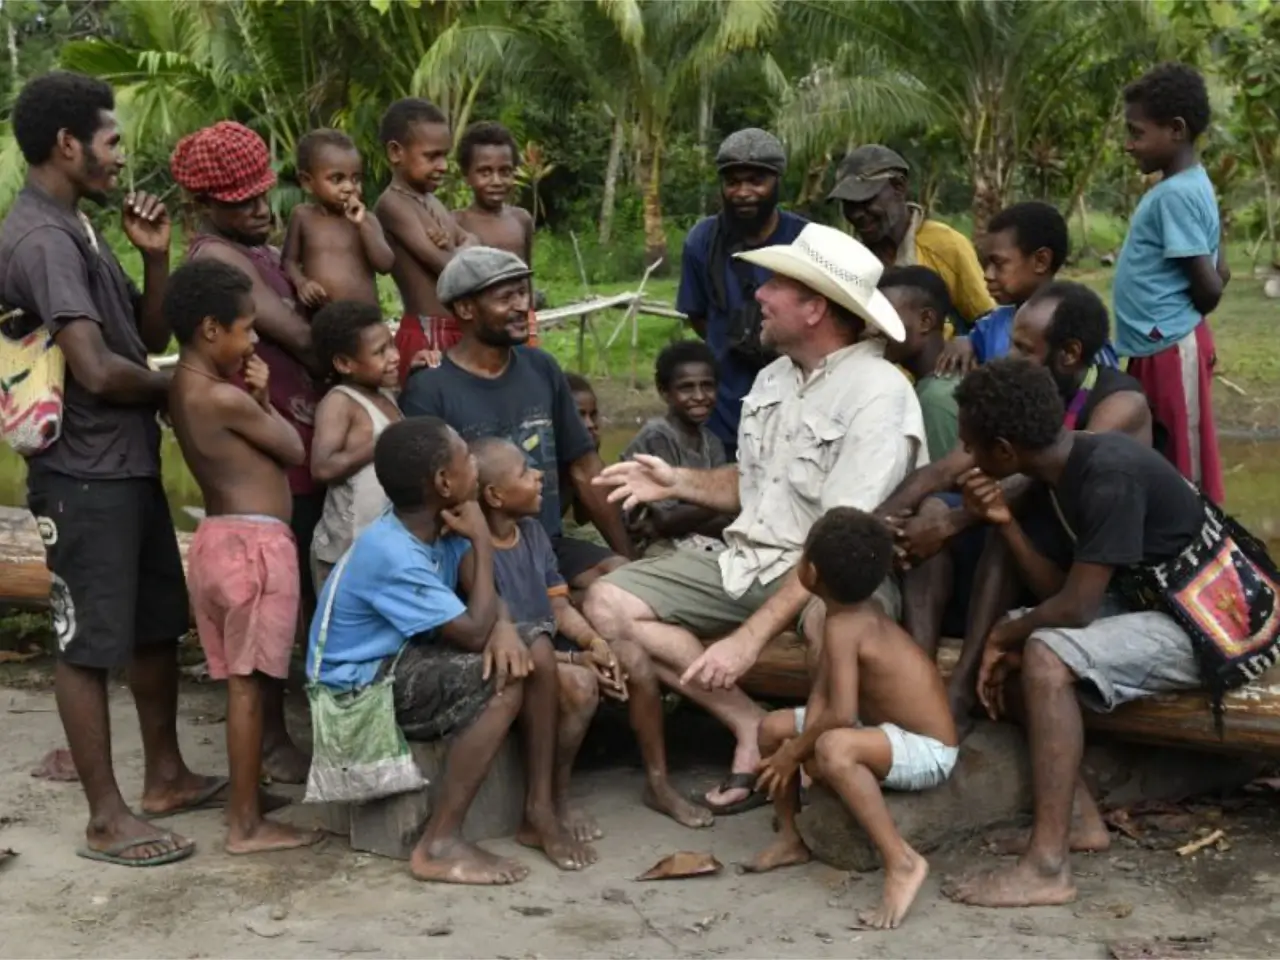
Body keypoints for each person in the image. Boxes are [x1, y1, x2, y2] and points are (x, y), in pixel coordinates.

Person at [588, 223, 926, 815]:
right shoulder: (773, 377)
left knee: (835, 627)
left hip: (829, 578)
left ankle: (820, 775)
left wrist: (748, 641)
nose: (760, 296)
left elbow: (838, 545)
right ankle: (748, 724)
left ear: (815, 307)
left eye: (775, 285)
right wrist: (676, 481)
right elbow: (755, 483)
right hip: (747, 563)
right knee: (606, 605)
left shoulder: (878, 394)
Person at [0, 70, 221, 866]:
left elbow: (138, 329)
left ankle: (165, 776)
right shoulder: (43, 239)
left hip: (123, 462)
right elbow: (96, 370)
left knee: (154, 624)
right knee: (87, 642)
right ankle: (105, 817)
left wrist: (155, 259)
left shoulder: (80, 227)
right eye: (111, 140)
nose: (122, 156)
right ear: (68, 145)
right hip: (82, 469)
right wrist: (191, 387)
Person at [944, 358, 1206, 908]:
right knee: (1024, 643)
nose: (966, 459)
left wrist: (1008, 635)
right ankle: (1080, 823)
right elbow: (1058, 592)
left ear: (1006, 452)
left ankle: (1047, 867)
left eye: (971, 448)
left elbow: (1078, 609)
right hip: (1153, 603)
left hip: (1207, 625)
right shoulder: (1062, 468)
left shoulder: (1107, 474)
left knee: (1040, 652)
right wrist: (1004, 524)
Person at [308, 417, 597, 881]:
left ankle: (538, 810)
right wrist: (483, 542)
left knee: (537, 648)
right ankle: (439, 842)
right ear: (444, 482)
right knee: (504, 682)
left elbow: (487, 608)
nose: (476, 469)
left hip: (398, 663)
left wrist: (504, 624)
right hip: (357, 694)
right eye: (466, 458)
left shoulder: (436, 526)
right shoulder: (395, 551)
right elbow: (473, 626)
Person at [882, 282, 1152, 712]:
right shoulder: (1027, 390)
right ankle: (920, 675)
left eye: (1025, 349)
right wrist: (879, 523)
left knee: (999, 523)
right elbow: (947, 466)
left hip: (1089, 564)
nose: (1010, 358)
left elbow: (1042, 480)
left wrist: (950, 525)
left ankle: (963, 685)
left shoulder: (1120, 403)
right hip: (1035, 541)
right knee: (933, 507)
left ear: (1069, 354)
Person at [172, 119, 319, 784]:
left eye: (265, 195)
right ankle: (273, 741)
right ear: (205, 207)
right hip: (270, 450)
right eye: (243, 202)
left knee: (296, 605)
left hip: (288, 437)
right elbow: (300, 337)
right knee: (270, 625)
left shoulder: (254, 249)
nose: (261, 209)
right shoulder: (218, 263)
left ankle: (282, 733)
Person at [472, 434, 713, 829]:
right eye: (524, 472)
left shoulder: (531, 533)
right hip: (514, 655)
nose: (539, 477)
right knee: (581, 685)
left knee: (631, 656)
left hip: (552, 643)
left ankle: (659, 783)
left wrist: (595, 643)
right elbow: (496, 633)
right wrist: (575, 658)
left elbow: (558, 606)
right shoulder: (472, 548)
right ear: (495, 496)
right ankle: (556, 798)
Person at [165, 258, 324, 855]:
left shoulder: (184, 383)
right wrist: (262, 396)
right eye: (247, 329)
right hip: (254, 549)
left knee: (242, 682)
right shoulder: (223, 397)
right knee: (250, 688)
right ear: (211, 329)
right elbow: (290, 446)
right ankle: (244, 823)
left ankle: (246, 805)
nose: (254, 340)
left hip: (216, 545)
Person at [745, 508, 958, 931]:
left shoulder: (847, 626)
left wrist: (796, 755)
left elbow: (840, 716)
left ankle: (901, 861)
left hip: (929, 750)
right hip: (880, 731)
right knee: (771, 728)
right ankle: (791, 838)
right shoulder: (840, 619)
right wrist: (792, 747)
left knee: (832, 747)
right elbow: (824, 699)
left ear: (810, 570)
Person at [400, 247, 634, 590]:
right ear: (465, 308)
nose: (523, 306)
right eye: (506, 297)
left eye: (523, 293)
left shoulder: (542, 368)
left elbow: (585, 469)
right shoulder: (429, 390)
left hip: (548, 545)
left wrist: (629, 555)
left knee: (625, 580)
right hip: (479, 557)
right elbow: (427, 503)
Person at [1115, 62, 1229, 504]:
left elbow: (1212, 287)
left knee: (1186, 465)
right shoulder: (1189, 184)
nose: (1129, 144)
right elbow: (1223, 266)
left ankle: (1201, 549)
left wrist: (1187, 323)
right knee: (1161, 451)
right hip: (1157, 344)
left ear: (1176, 129)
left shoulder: (1175, 196)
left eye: (1137, 132)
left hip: (1168, 346)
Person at [677, 128, 808, 460]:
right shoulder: (702, 241)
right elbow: (699, 316)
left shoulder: (806, 240)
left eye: (755, 181)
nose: (743, 192)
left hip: (796, 402)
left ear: (777, 181)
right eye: (732, 182)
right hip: (724, 410)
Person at [936, 201, 1118, 374]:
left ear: (1041, 261)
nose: (988, 275)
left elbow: (1105, 387)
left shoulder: (1077, 327)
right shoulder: (991, 327)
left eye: (998, 263)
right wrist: (963, 341)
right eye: (985, 264)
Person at [830, 144, 993, 330]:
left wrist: (965, 343)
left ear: (899, 187)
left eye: (866, 200)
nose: (857, 213)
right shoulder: (849, 263)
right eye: (848, 204)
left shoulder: (946, 246)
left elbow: (988, 321)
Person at [373, 98, 475, 385]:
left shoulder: (431, 201)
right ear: (396, 152)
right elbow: (451, 268)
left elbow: (472, 239)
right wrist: (462, 250)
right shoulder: (393, 204)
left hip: (456, 329)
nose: (443, 166)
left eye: (445, 156)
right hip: (428, 336)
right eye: (432, 156)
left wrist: (460, 248)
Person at [309, 300, 403, 590]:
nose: (394, 356)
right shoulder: (339, 402)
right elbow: (322, 467)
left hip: (382, 543)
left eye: (392, 345)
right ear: (344, 363)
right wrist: (381, 443)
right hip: (346, 550)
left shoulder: (385, 395)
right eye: (380, 352)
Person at [621, 340, 733, 555]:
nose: (700, 396)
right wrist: (721, 501)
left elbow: (726, 517)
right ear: (665, 392)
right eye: (686, 387)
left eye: (707, 386)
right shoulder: (658, 436)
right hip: (655, 546)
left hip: (697, 540)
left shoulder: (712, 442)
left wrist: (717, 506)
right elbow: (666, 519)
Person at [282, 128, 395, 310]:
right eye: (337, 179)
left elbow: (385, 264)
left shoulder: (368, 220)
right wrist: (302, 283)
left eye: (356, 179)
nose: (349, 187)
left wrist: (362, 225)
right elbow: (288, 261)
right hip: (323, 316)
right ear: (307, 182)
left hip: (365, 317)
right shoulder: (303, 216)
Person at [452, 121, 538, 346]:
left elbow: (527, 276)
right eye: (485, 172)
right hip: (479, 331)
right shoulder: (456, 223)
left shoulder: (521, 219)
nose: (496, 181)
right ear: (466, 175)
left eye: (505, 171)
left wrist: (531, 324)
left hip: (519, 325)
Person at [881, 267, 960, 463]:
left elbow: (940, 484)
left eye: (886, 317)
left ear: (926, 321)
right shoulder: (939, 384)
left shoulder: (935, 400)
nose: (874, 329)